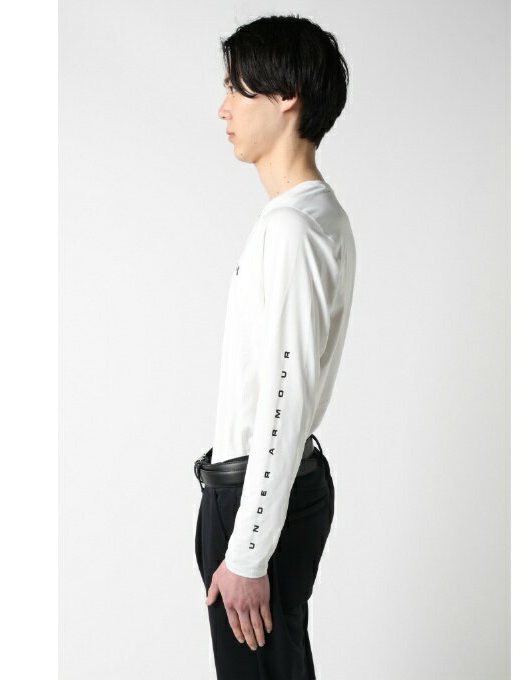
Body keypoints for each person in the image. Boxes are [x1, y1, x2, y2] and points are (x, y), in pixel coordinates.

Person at [194, 14, 355, 680]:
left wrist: (247, 552)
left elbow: (285, 399)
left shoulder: (293, 226)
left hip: (256, 501)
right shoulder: (315, 215)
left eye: (237, 88)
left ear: (286, 96)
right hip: (271, 490)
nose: (224, 107)